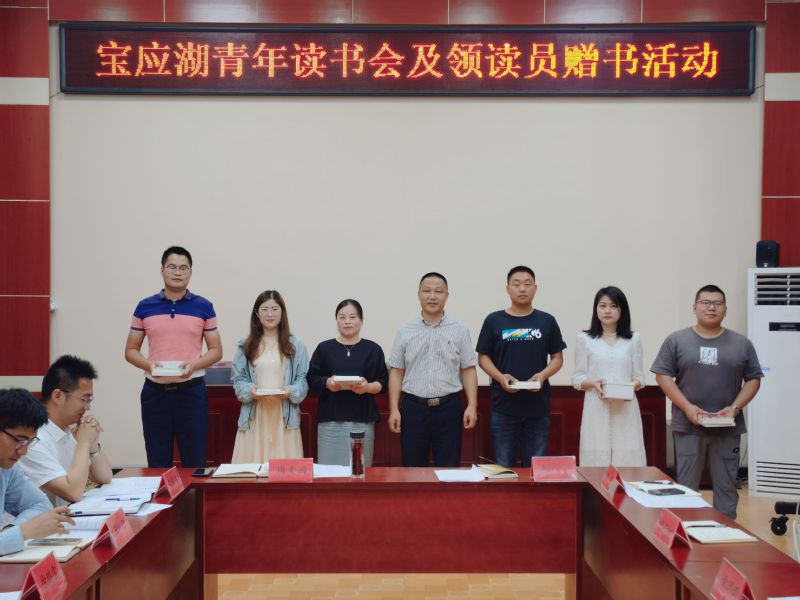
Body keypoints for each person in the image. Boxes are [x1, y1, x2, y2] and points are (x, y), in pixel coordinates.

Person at [651, 284, 763, 519]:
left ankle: (726, 531)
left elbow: (754, 379)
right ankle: (688, 532)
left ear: (725, 310)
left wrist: (734, 408)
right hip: (688, 426)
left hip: (727, 427)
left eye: (717, 303)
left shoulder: (741, 343)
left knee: (727, 487)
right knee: (686, 488)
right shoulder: (676, 340)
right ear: (694, 307)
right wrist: (687, 407)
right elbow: (662, 376)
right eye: (705, 302)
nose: (711, 307)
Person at [124, 246, 222, 468]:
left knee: (195, 462)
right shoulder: (144, 306)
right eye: (172, 267)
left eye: (183, 268)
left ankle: (194, 492)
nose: (177, 272)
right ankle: (162, 493)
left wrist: (194, 364)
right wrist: (149, 365)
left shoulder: (204, 306)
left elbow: (216, 350)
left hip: (192, 392)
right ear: (162, 270)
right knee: (157, 462)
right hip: (154, 393)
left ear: (190, 272)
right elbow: (130, 350)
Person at [476, 266, 566, 467]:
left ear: (535, 288)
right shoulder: (493, 320)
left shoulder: (547, 321)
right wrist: (500, 377)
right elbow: (483, 358)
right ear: (507, 288)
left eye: (527, 284)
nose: (522, 289)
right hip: (503, 408)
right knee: (503, 468)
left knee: (535, 468)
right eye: (516, 284)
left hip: (538, 408)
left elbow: (558, 358)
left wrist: (542, 376)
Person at [387, 272, 478, 467]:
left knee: (449, 470)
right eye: (427, 291)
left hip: (448, 408)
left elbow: (468, 369)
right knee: (412, 471)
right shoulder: (404, 330)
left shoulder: (460, 329)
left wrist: (472, 405)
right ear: (419, 294)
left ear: (447, 295)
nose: (432, 296)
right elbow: (396, 371)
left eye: (438, 291)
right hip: (413, 408)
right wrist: (394, 409)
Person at [19, 356, 113, 506]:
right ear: (58, 396)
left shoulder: (66, 431)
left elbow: (105, 477)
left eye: (90, 400)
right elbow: (73, 493)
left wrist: (92, 444)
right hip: (41, 519)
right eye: (84, 399)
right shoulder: (32, 440)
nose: (88, 407)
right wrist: (83, 443)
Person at [307, 299, 389, 466]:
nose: (347, 321)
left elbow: (383, 383)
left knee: (359, 472)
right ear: (336, 320)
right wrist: (327, 382)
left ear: (361, 320)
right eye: (342, 317)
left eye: (353, 317)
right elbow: (311, 379)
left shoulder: (373, 349)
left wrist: (367, 387)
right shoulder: (324, 348)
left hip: (362, 419)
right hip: (330, 420)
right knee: (329, 473)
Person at [231, 290, 309, 462]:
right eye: (264, 309)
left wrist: (291, 390)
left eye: (275, 309)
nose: (270, 314)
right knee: (253, 468)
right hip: (255, 415)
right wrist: (250, 390)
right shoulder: (246, 345)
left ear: (282, 312)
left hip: (284, 416)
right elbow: (238, 380)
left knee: (284, 469)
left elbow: (302, 380)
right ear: (257, 313)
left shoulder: (296, 345)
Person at [572, 286, 646, 467]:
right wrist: (592, 383)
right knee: (596, 460)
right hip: (596, 407)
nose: (607, 310)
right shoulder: (584, 339)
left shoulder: (634, 339)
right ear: (596, 309)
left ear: (622, 310)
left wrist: (630, 386)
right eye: (603, 305)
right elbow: (577, 378)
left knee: (628, 460)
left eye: (613, 306)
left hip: (626, 408)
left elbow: (640, 377)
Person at [0, 389, 74, 556]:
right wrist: (23, 532)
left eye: (29, 441)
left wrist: (11, 531)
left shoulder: (7, 468)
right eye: (19, 440)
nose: (24, 451)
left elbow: (40, 505)